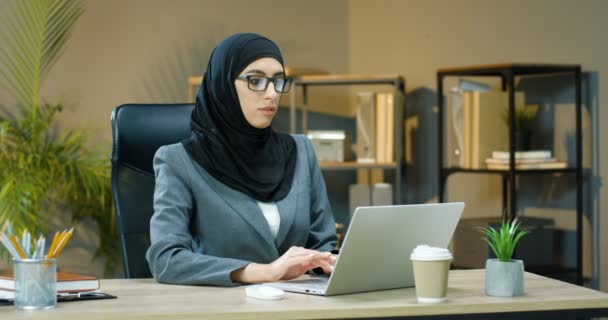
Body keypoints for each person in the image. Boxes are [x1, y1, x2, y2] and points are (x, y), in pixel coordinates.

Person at [145, 33, 338, 287]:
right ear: (223, 84)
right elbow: (166, 260)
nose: (271, 94)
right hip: (220, 309)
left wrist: (332, 263)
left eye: (278, 81)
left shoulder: (300, 151)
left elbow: (322, 244)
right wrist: (266, 272)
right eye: (256, 80)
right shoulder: (178, 160)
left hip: (296, 305)